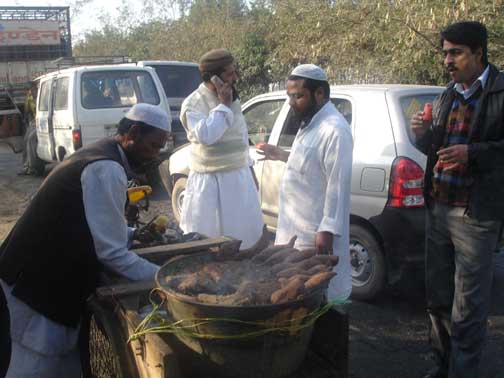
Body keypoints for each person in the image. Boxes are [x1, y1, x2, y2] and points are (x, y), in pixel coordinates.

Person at [0, 103, 170, 377]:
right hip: (36, 283)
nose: (156, 154)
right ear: (133, 133)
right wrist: (167, 278)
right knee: (35, 365)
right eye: (153, 145)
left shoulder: (103, 152)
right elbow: (112, 254)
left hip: (43, 276)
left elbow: (90, 221)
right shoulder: (106, 167)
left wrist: (129, 235)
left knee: (64, 364)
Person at [410, 22, 504, 378]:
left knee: (468, 306)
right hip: (439, 209)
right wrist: (422, 135)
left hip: (476, 214)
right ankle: (443, 363)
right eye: (445, 52)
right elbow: (435, 148)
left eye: (456, 52)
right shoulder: (448, 94)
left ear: (479, 52)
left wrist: (473, 154)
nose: (447, 60)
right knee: (437, 299)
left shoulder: (499, 91)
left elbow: (482, 152)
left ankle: (463, 372)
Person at [257, 64, 353, 300]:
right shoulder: (310, 121)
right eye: (289, 96)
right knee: (293, 292)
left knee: (319, 291)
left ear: (319, 93)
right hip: (294, 227)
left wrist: (327, 228)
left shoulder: (335, 129)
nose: (291, 102)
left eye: (298, 96)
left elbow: (337, 182)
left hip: (315, 232)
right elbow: (312, 165)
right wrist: (282, 155)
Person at [179, 48, 263, 249]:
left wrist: (249, 169)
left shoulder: (231, 98)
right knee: (209, 242)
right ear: (212, 77)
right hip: (210, 183)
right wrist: (223, 105)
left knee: (245, 239)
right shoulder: (193, 103)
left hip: (238, 177)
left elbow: (240, 137)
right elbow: (207, 135)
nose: (235, 77)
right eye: (229, 74)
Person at [18, 83, 39, 176]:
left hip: (41, 122)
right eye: (29, 90)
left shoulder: (41, 95)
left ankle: (32, 167)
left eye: (32, 89)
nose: (31, 91)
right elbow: (27, 112)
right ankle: (25, 167)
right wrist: (29, 122)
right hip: (34, 122)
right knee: (25, 140)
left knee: (31, 139)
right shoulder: (29, 98)